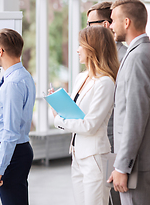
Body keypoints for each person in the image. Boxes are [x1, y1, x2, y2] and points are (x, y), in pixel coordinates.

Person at [50, 26, 119, 205]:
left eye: (81, 45)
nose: (78, 49)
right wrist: (59, 105)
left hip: (94, 158)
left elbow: (90, 125)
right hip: (77, 154)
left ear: (93, 49)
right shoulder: (82, 77)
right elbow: (74, 115)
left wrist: (58, 119)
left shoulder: (105, 83)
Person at [0, 28, 36, 205]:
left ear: (0, 51)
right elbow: (17, 114)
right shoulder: (23, 76)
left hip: (12, 153)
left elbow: (10, 130)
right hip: (18, 150)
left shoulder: (12, 83)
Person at [107, 0, 150, 205]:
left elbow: (135, 116)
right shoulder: (140, 53)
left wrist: (122, 167)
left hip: (137, 167)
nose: (111, 26)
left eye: (113, 20)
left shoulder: (137, 57)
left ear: (126, 22)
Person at [87, 1, 127, 205]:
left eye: (89, 24)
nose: (86, 30)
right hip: (100, 141)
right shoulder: (98, 61)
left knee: (116, 197)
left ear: (105, 25)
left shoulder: (124, 58)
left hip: (114, 142)